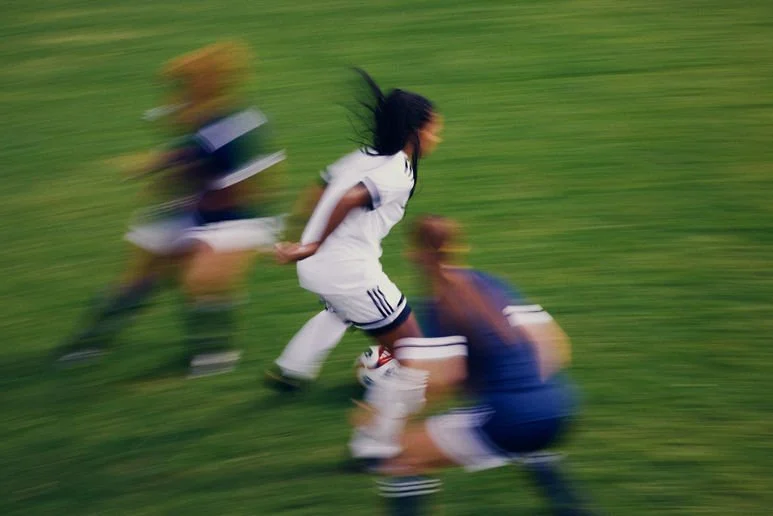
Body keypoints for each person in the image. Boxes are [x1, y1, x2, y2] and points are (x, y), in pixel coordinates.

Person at [57, 42, 286, 378]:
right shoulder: (190, 113)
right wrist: (157, 171)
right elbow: (187, 154)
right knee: (138, 277)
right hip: (192, 206)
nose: (177, 92)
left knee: (201, 278)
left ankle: (216, 350)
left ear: (215, 82)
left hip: (237, 215)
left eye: (187, 83)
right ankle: (90, 342)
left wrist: (198, 222)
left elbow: (247, 185)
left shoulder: (242, 125)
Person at [360, 215, 593, 516]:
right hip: (558, 404)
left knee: (403, 456)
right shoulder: (491, 283)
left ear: (413, 254)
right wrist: (525, 389)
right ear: (459, 247)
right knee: (525, 440)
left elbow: (443, 380)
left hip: (508, 418)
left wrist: (384, 417)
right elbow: (556, 344)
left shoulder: (438, 304)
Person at [267, 68, 443, 389]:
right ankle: (386, 391)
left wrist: (301, 237)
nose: (437, 138)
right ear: (415, 132)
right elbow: (350, 198)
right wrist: (311, 244)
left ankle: (291, 370)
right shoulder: (397, 172)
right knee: (417, 356)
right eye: (434, 130)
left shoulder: (363, 156)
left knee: (341, 309)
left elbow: (321, 187)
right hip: (348, 271)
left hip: (320, 268)